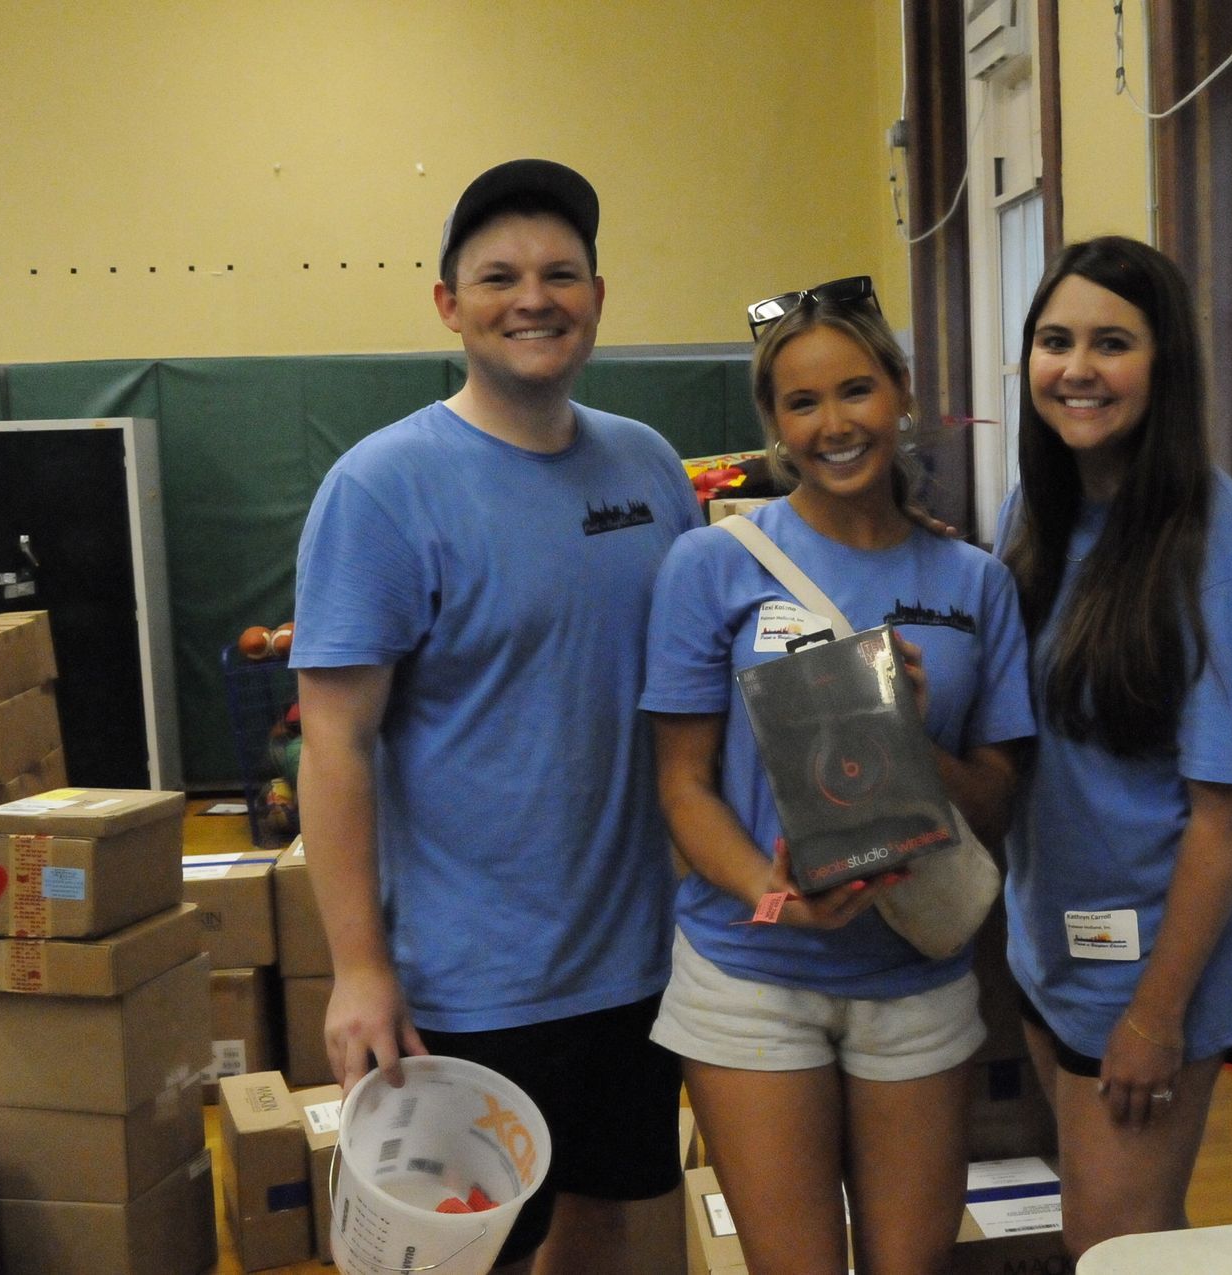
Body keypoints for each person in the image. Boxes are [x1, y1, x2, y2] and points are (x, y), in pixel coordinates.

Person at [289, 159, 700, 1275]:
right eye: (500, 276)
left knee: (607, 1219)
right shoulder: (384, 487)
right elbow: (333, 741)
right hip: (468, 982)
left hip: (639, 961)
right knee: (471, 1256)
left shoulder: (650, 467)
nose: (535, 298)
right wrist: (360, 968)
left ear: (599, 298)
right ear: (448, 305)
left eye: (562, 273)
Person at [639, 278, 1035, 1275]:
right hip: (750, 974)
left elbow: (995, 797)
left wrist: (909, 734)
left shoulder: (974, 584)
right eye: (802, 403)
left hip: (917, 976)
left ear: (899, 391)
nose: (835, 424)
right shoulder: (711, 566)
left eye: (856, 391)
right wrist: (769, 896)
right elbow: (682, 786)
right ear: (773, 422)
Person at [997, 236, 1232, 1259]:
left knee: (1111, 1243)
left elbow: (1229, 812)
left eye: (1111, 343)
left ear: (1164, 366)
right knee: (1140, 1232)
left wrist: (1156, 1016)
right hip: (1054, 939)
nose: (1077, 368)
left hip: (1155, 966)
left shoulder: (1218, 551)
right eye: (1055, 340)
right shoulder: (1035, 512)